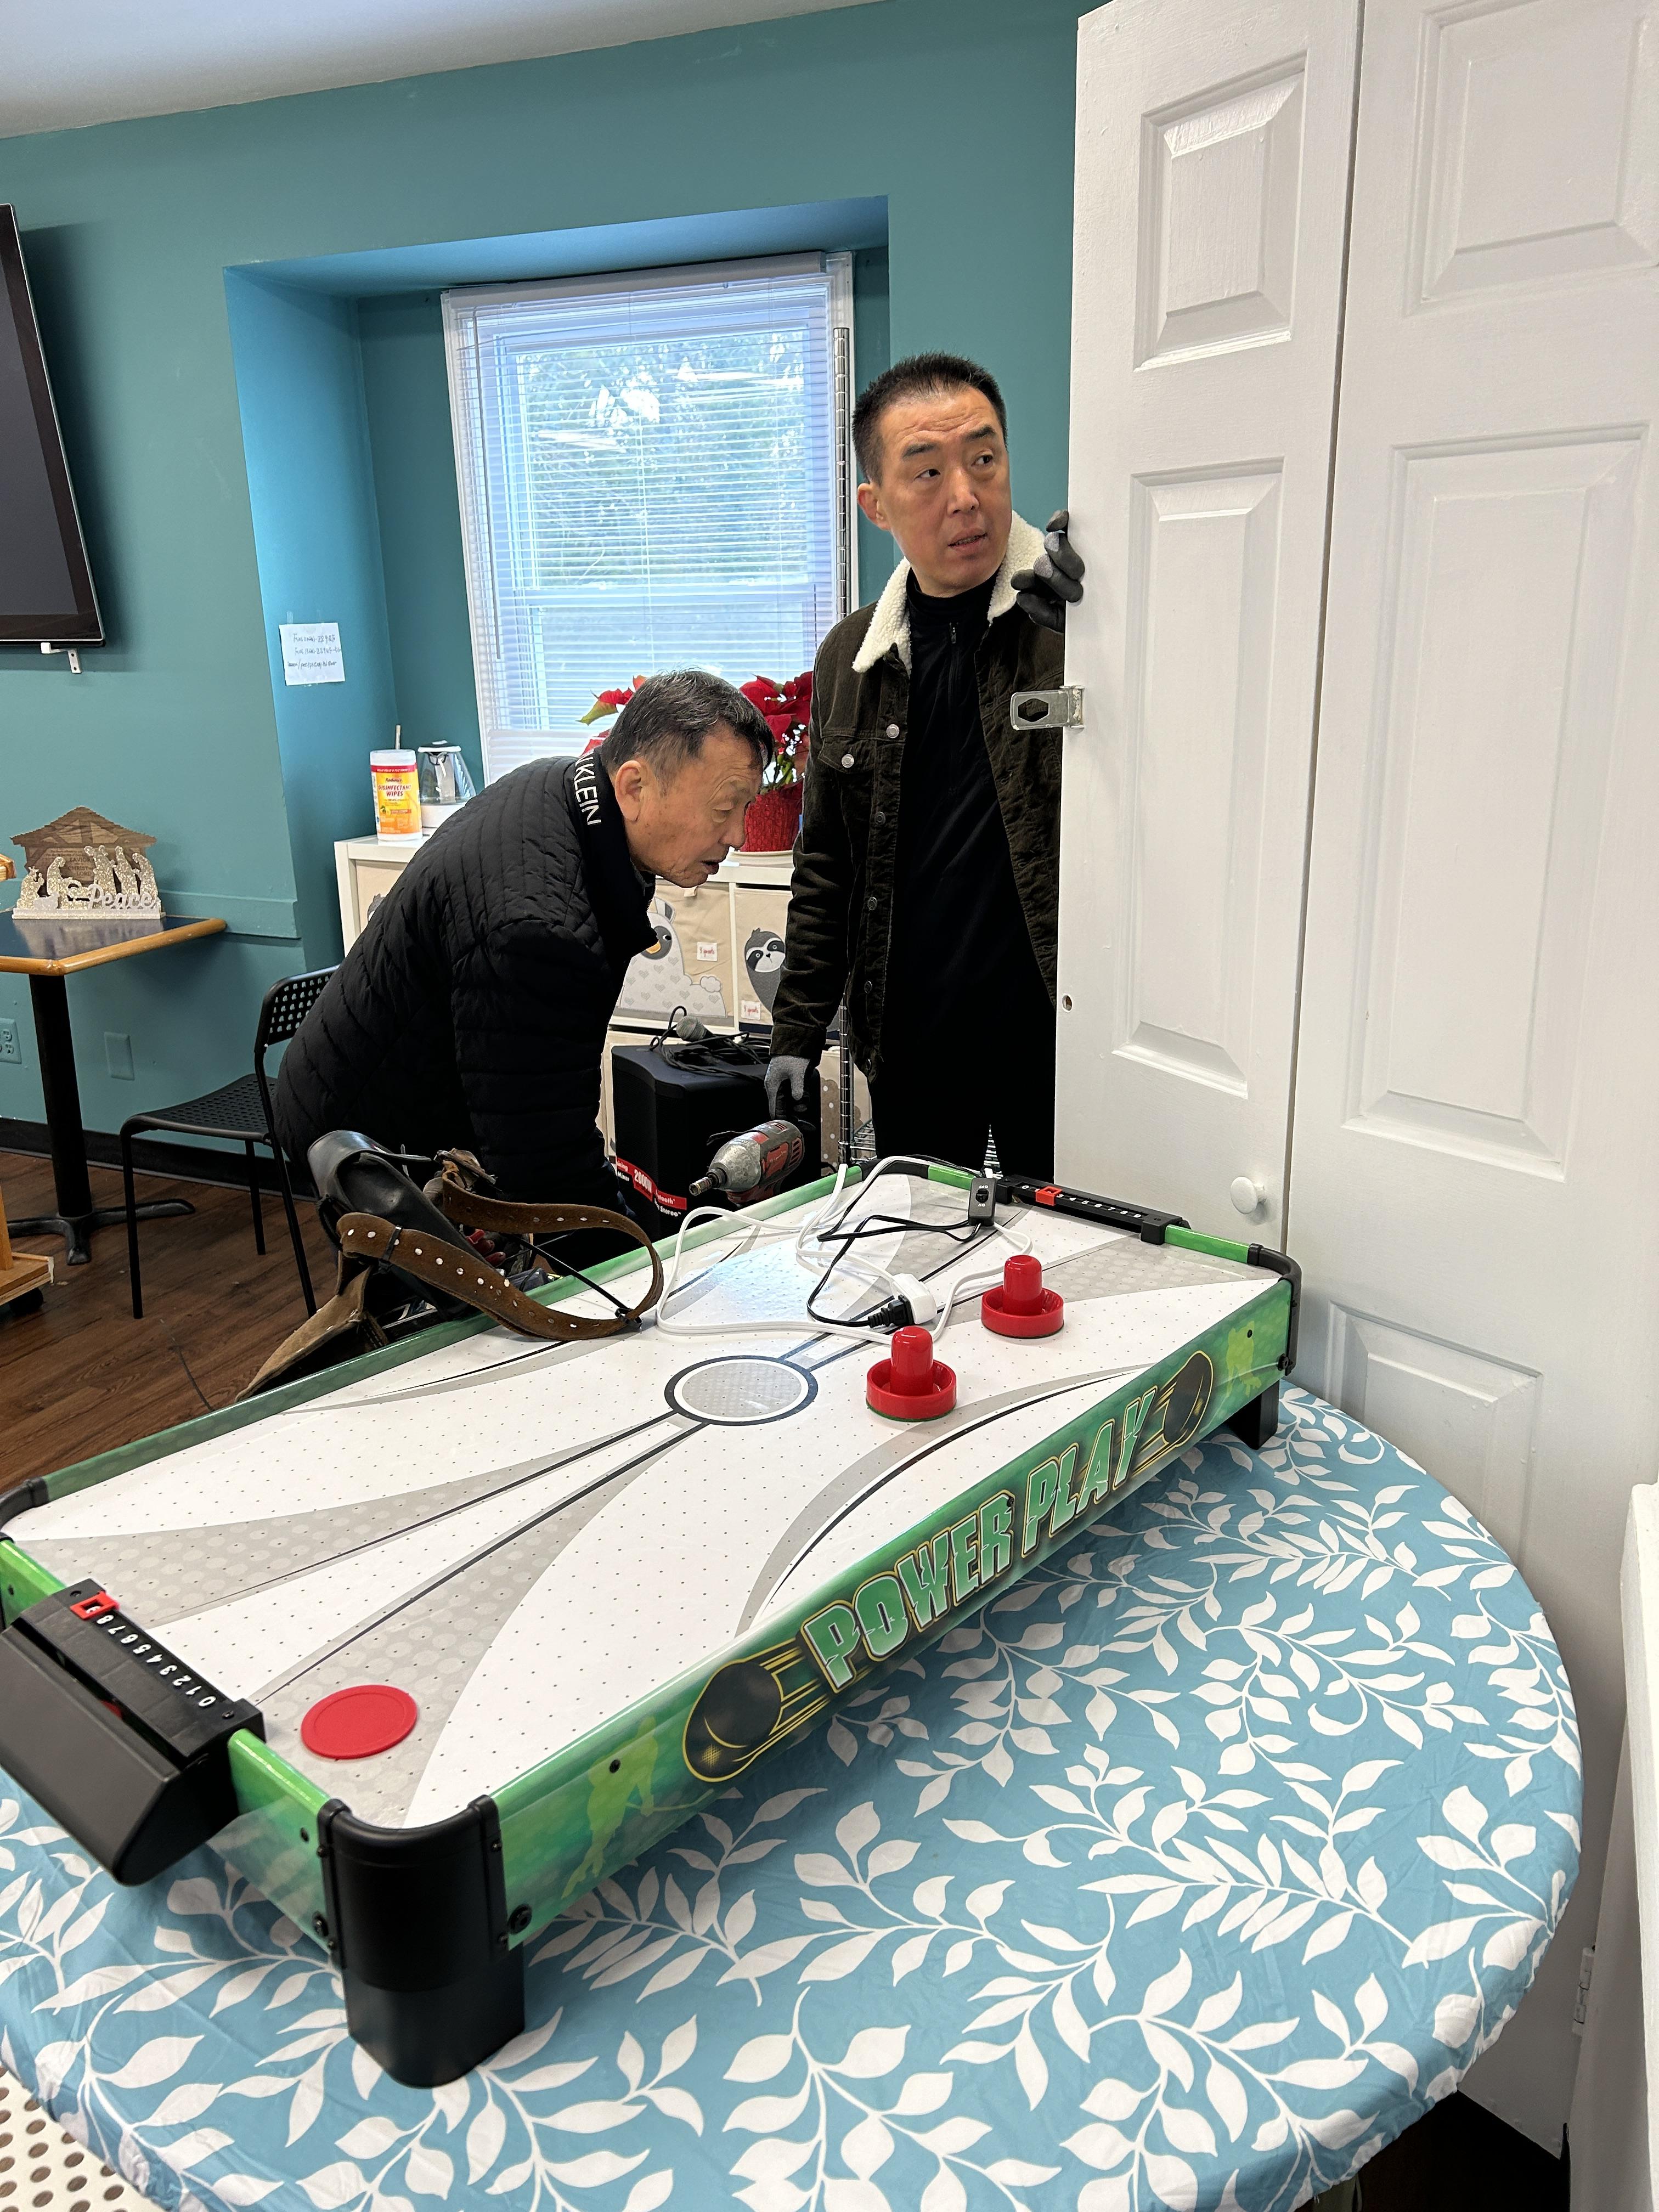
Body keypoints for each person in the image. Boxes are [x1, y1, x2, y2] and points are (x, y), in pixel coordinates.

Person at [275, 670, 770, 1207]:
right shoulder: (538, 933)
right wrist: (643, 1246)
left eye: (746, 808)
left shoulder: (563, 784)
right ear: (634, 787)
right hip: (364, 1140)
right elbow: (548, 1171)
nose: (739, 836)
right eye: (724, 809)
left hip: (376, 1081)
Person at [764, 352, 1082, 1179]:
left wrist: (1117, 614)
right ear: (877, 504)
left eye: (984, 459)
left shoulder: (1077, 619)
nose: (966, 497)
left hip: (1058, 1032)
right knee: (922, 1238)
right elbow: (827, 862)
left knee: (1069, 1243)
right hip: (912, 1032)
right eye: (929, 472)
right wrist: (798, 1027)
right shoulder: (853, 656)